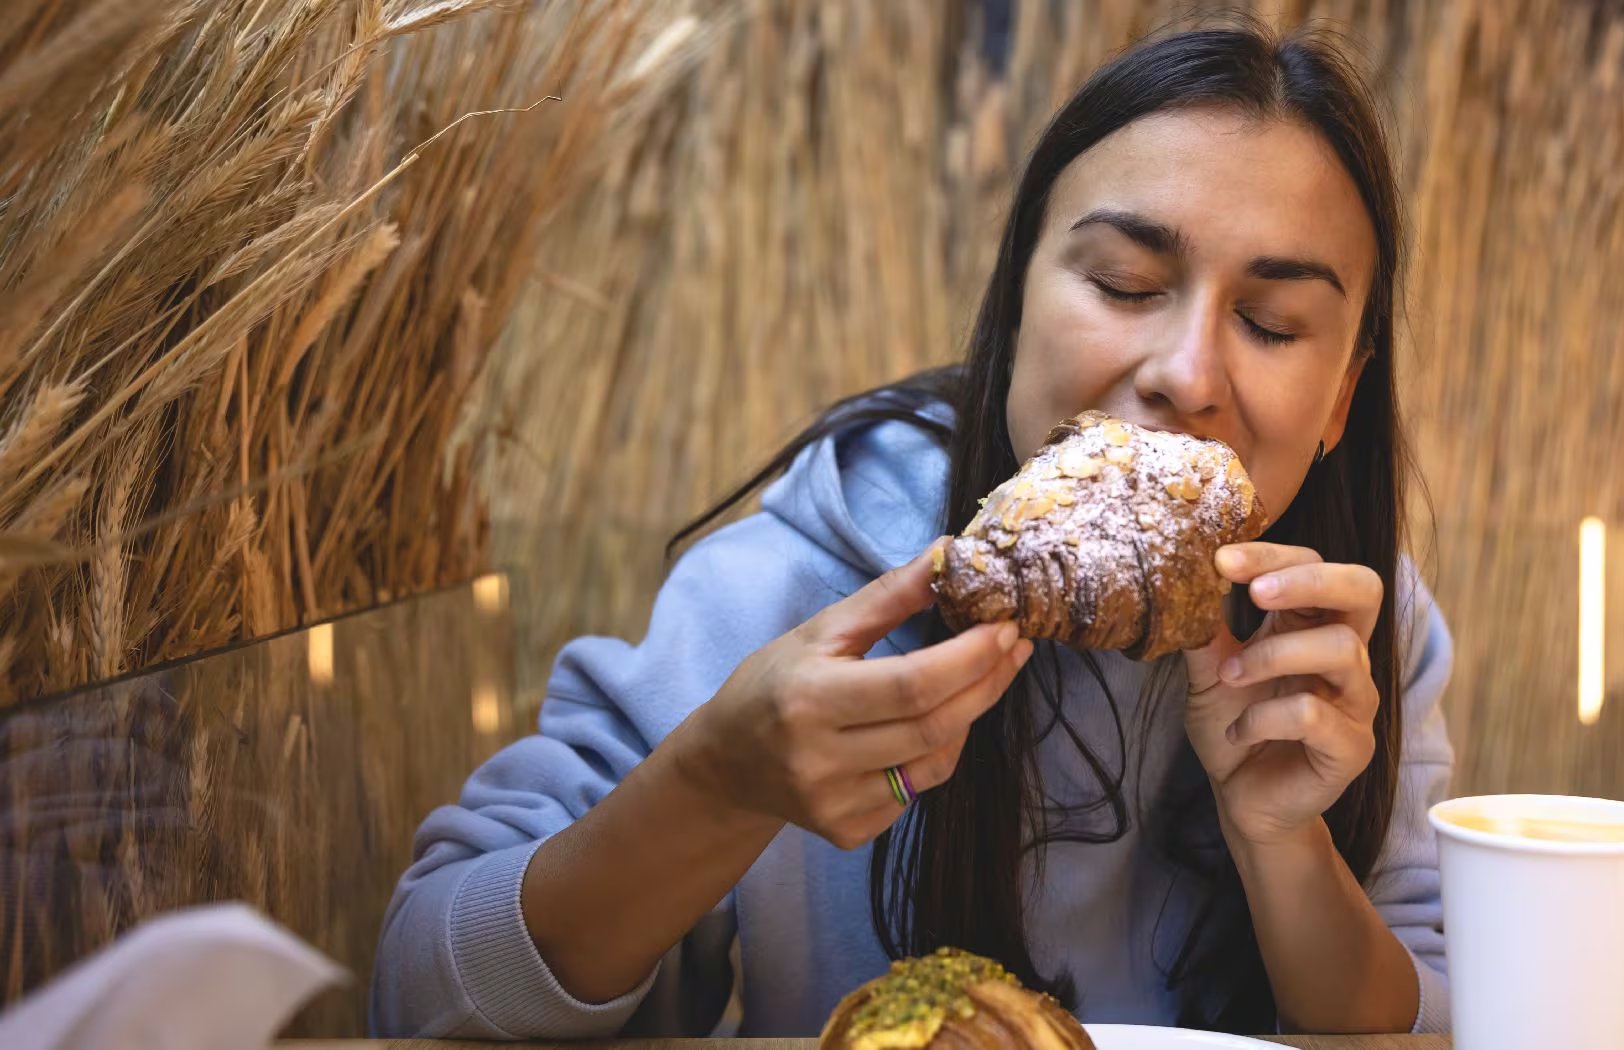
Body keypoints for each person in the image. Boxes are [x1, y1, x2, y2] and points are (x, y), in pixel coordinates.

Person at [372, 20, 1455, 1040]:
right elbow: (418, 991)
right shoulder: (785, 596)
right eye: (1126, 285)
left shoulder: (1351, 634)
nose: (1185, 375)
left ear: (1341, 400)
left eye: (1270, 324)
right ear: (1016, 303)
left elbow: (1444, 1016)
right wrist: (717, 787)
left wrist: (1282, 840)